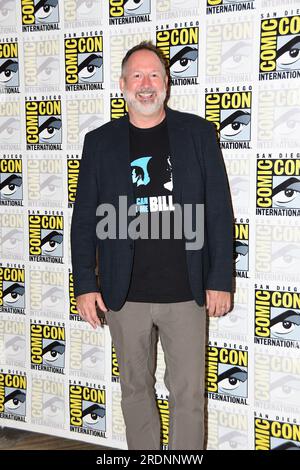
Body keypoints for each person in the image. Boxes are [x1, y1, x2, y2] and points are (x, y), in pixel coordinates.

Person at [71, 41, 234, 450]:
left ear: (167, 83)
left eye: (155, 75)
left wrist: (221, 279)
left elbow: (218, 211)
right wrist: (85, 285)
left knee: (189, 396)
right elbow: (84, 220)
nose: (146, 84)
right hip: (125, 295)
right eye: (138, 76)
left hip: (186, 292)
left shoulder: (198, 133)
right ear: (123, 84)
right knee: (135, 391)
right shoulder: (99, 142)